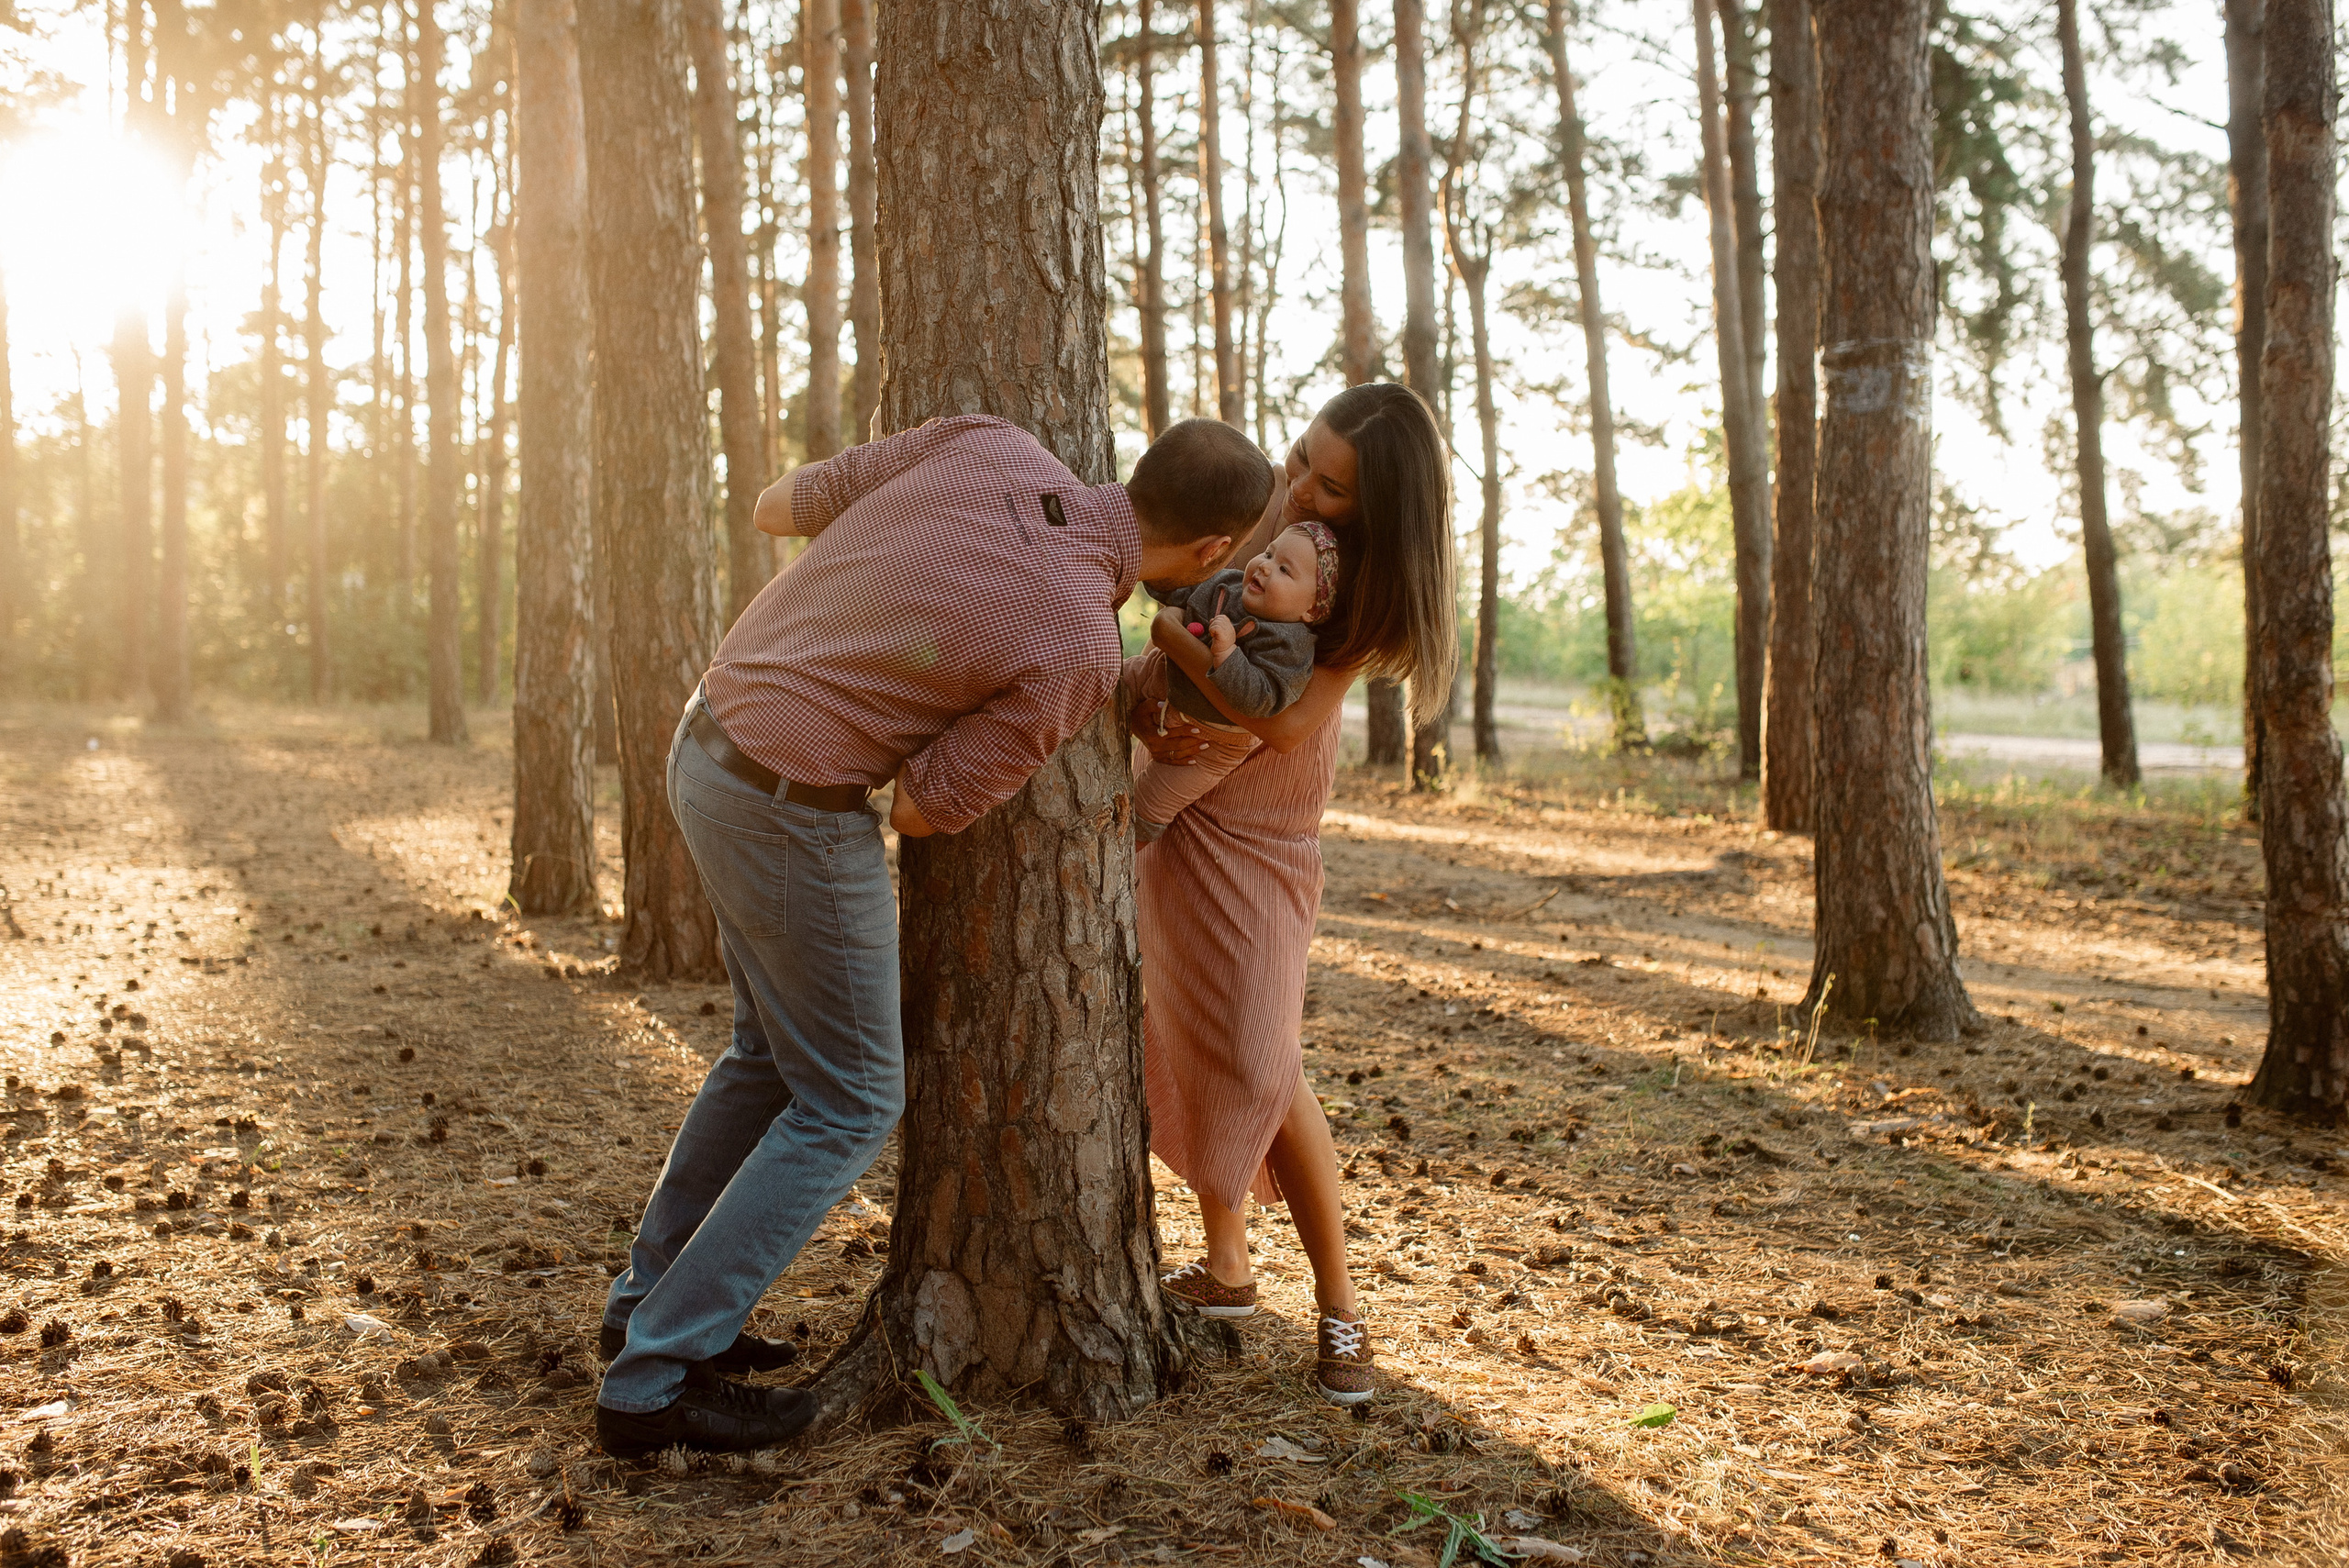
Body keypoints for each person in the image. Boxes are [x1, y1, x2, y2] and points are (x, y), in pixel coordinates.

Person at [594, 414, 1270, 1459]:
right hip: (787, 805)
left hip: (708, 739)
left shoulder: (994, 443)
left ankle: (648, 1306)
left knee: (768, 1057)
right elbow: (919, 806)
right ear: (1215, 551)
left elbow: (780, 506)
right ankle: (649, 1380)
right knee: (855, 1094)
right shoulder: (1080, 642)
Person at [1133, 382, 1456, 1406]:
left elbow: (1279, 724)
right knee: (1181, 1022)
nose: (1304, 488)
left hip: (1261, 816)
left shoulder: (1356, 585)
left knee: (1268, 1055)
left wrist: (1172, 644)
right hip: (1183, 774)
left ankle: (1340, 1306)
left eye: (1333, 484)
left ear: (1384, 506)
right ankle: (1224, 1261)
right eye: (1302, 458)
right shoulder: (1285, 504)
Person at [1127, 519, 1342, 842]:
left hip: (1209, 745)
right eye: (1269, 555)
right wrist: (1156, 572)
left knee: (1147, 809)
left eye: (1284, 570)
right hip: (1158, 675)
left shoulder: (1291, 647)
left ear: (1311, 610)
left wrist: (1227, 653)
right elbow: (1182, 589)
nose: (1265, 567)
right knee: (1098, 682)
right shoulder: (1230, 585)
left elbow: (1261, 699)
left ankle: (1117, 867)